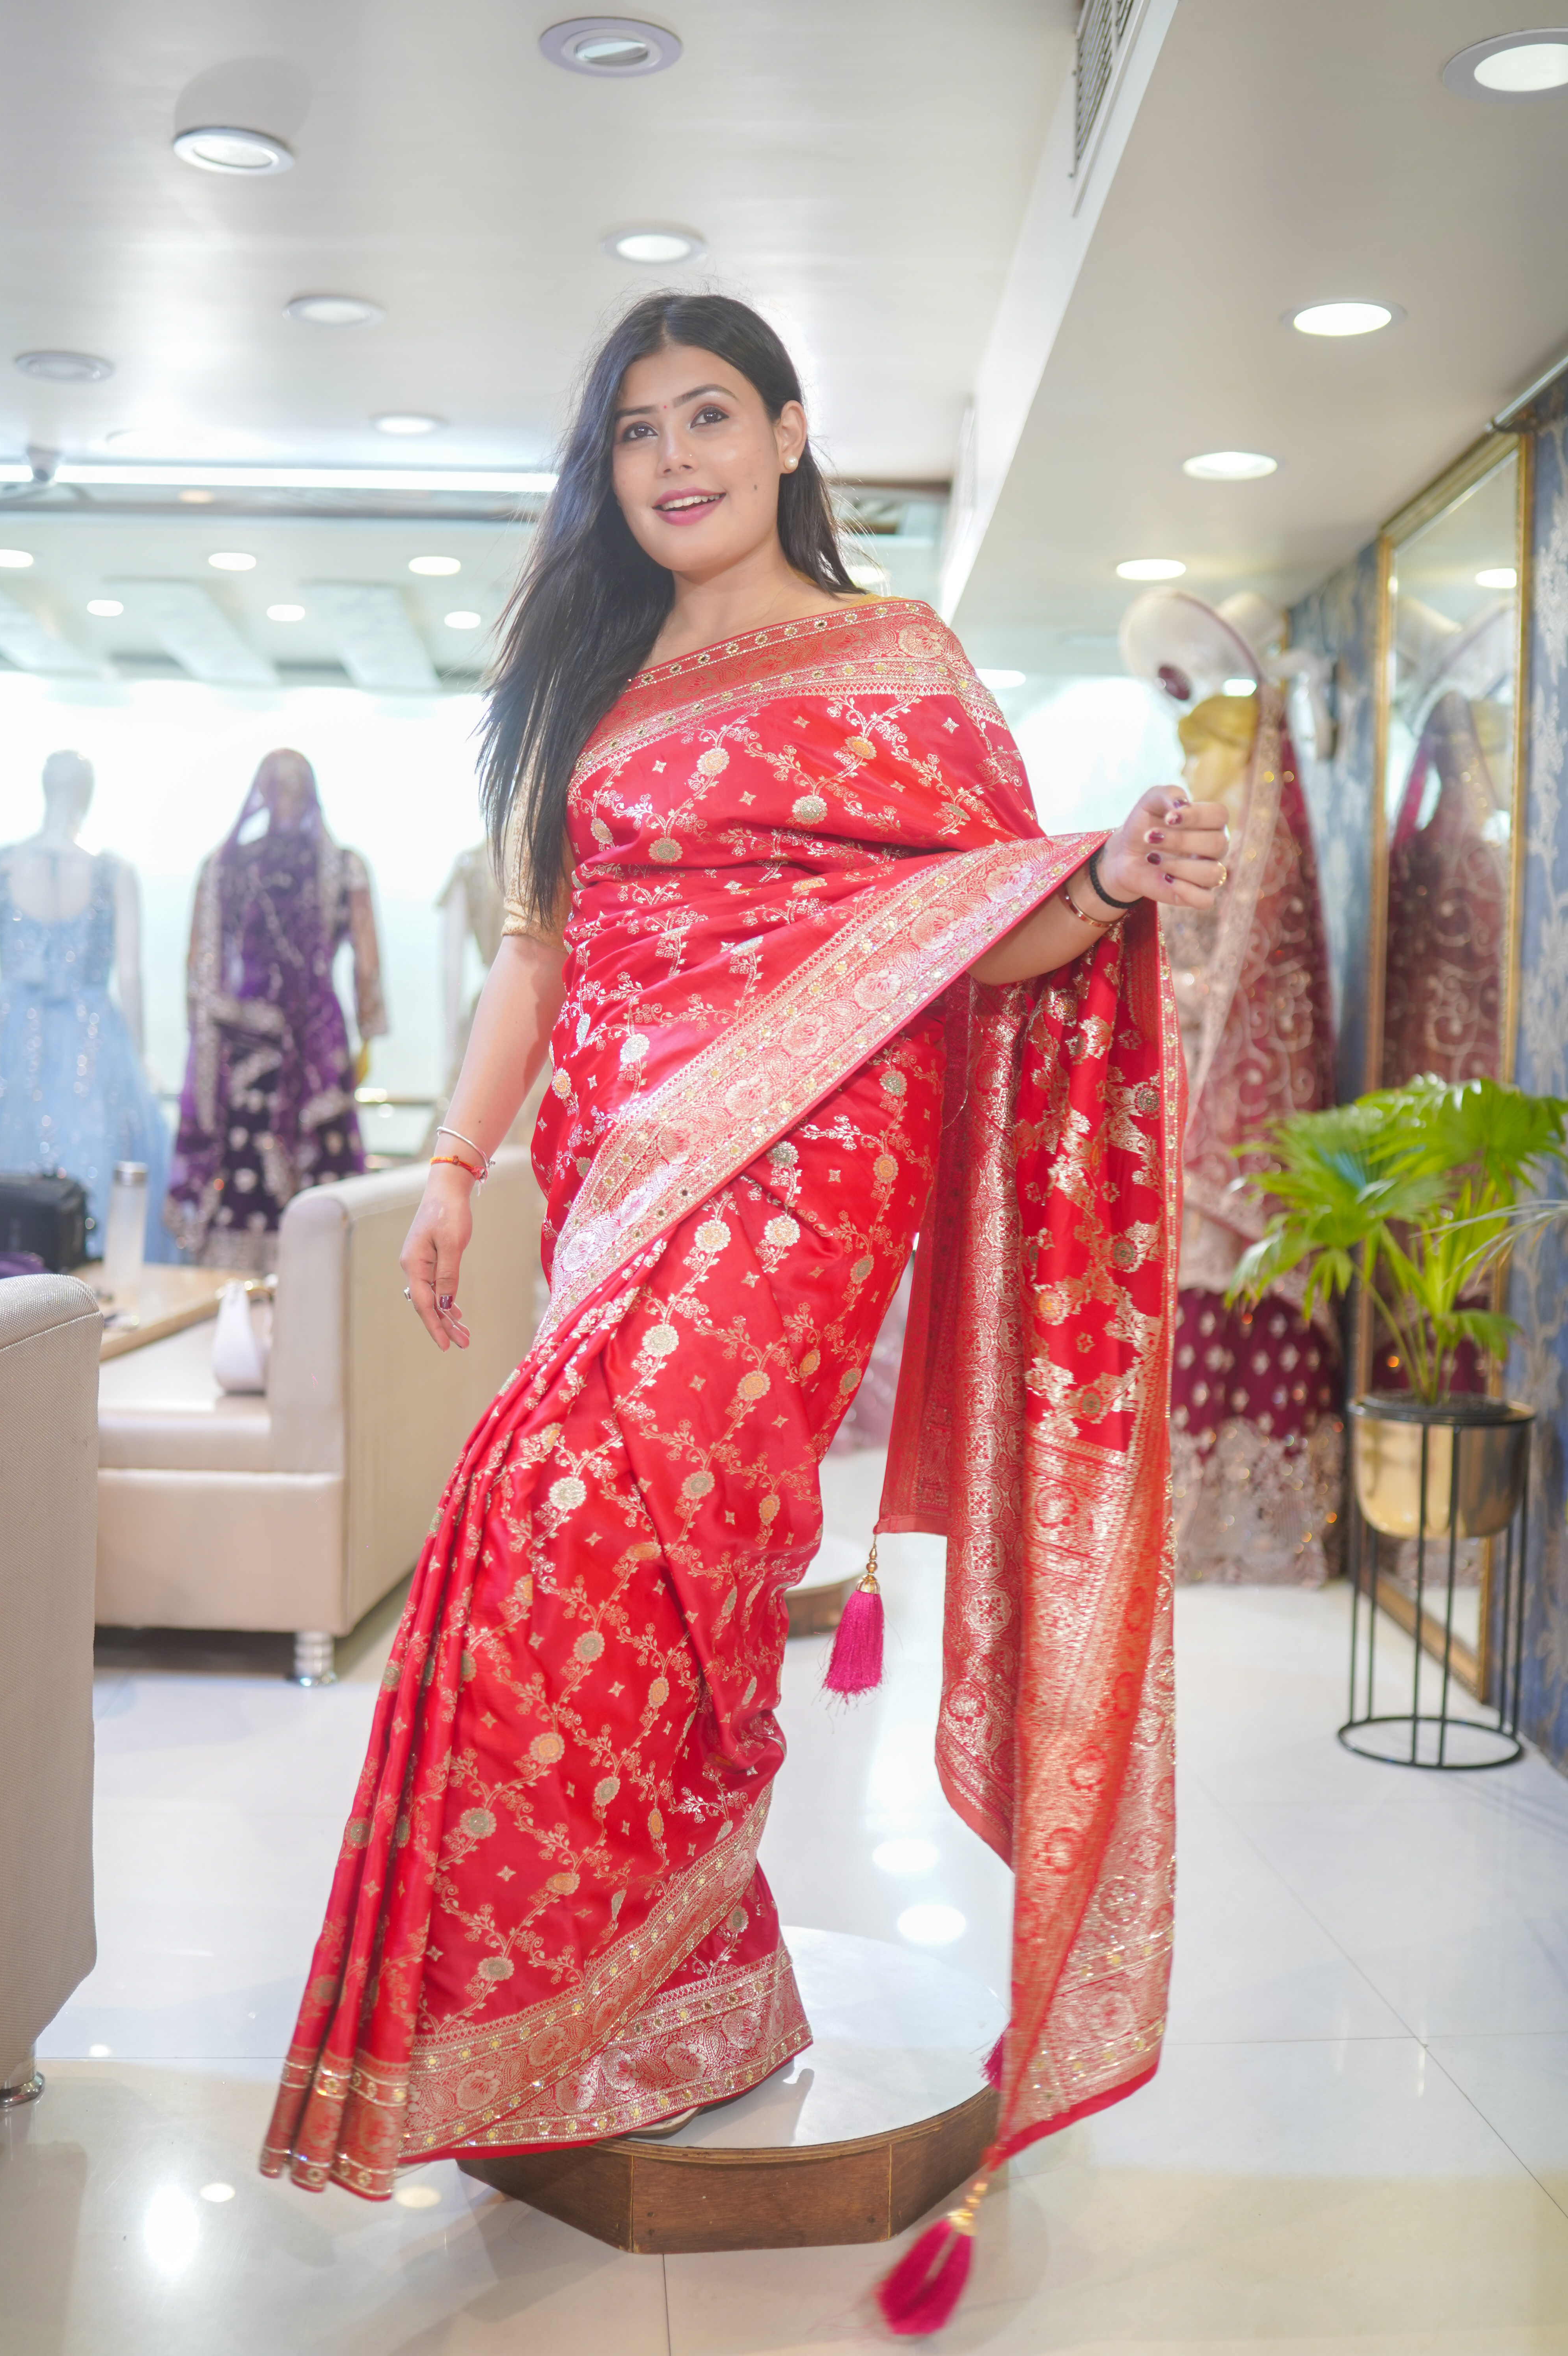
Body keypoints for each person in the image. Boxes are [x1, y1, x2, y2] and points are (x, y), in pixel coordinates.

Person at [260, 296, 1226, 2245]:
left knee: (593, 1525)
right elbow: (538, 943)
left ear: (789, 436)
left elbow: (973, 927)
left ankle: (648, 1988)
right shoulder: (586, 678)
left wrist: (1107, 879)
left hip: (805, 1169)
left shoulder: (894, 659)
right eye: (635, 430)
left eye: (708, 415)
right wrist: (448, 1165)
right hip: (617, 1171)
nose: (673, 458)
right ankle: (681, 1984)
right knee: (597, 1558)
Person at [1121, 592, 1340, 1584]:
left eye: (1210, 747)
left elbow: (1260, 984)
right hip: (1185, 1092)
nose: (1194, 767)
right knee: (1190, 1302)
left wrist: (1176, 992)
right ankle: (1191, 1525)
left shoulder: (1264, 850)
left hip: (1238, 1111)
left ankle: (1255, 1532)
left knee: (1233, 1295)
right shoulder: (1207, 838)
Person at [166, 748, 387, 1270]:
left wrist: (204, 1045)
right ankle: (316, 1279)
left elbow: (200, 970)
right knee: (319, 1165)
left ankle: (234, 1286)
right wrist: (367, 1035)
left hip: (244, 1045)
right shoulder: (344, 866)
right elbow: (368, 968)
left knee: (242, 1160)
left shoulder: (225, 866)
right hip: (316, 1046)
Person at [0, 749, 175, 1260]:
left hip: (14, 1032)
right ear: (88, 793)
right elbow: (130, 974)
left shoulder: (7, 864)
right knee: (95, 1146)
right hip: (91, 1035)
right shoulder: (113, 872)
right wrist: (141, 1056)